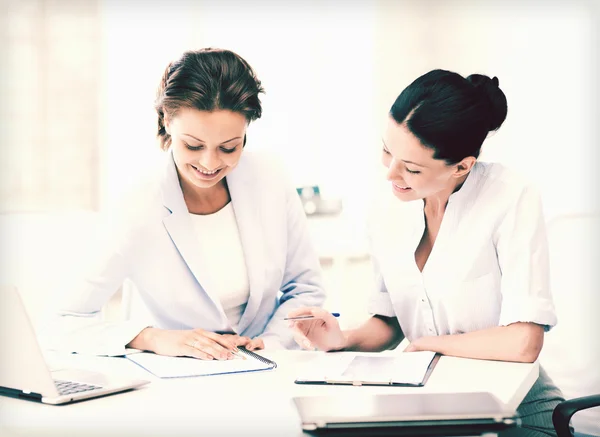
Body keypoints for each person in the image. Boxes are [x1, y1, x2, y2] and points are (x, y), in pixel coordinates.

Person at [289, 69, 565, 436]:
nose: (391, 173)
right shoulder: (387, 207)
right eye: (387, 151)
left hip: (515, 414)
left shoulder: (510, 197)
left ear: (462, 166)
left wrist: (429, 346)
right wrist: (342, 338)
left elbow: (524, 342)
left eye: (412, 168)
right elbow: (389, 324)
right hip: (427, 411)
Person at [54, 48, 325, 360]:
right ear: (167, 121)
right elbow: (62, 321)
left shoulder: (270, 178)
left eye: (229, 148)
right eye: (193, 145)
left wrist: (272, 342)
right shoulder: (138, 202)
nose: (209, 163)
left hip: (265, 371)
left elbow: (305, 288)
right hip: (171, 383)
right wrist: (152, 338)